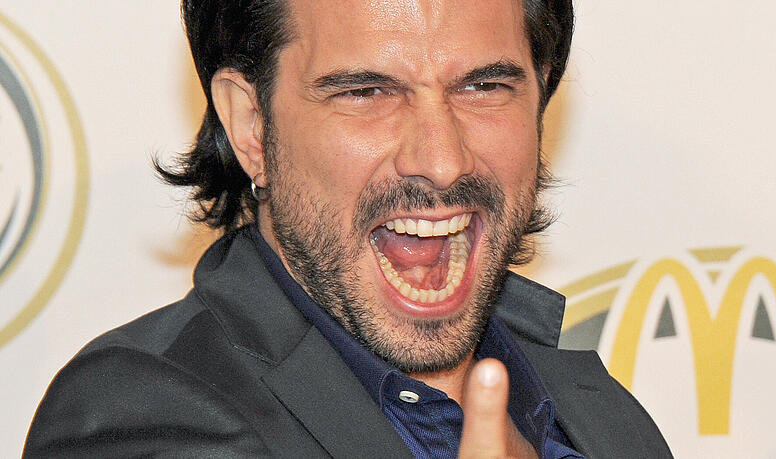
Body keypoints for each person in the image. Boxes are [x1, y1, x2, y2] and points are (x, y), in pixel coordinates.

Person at [24, 0, 672, 457]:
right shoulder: (141, 414)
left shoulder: (602, 413)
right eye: (365, 92)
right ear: (251, 126)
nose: (442, 160)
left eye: (484, 86)